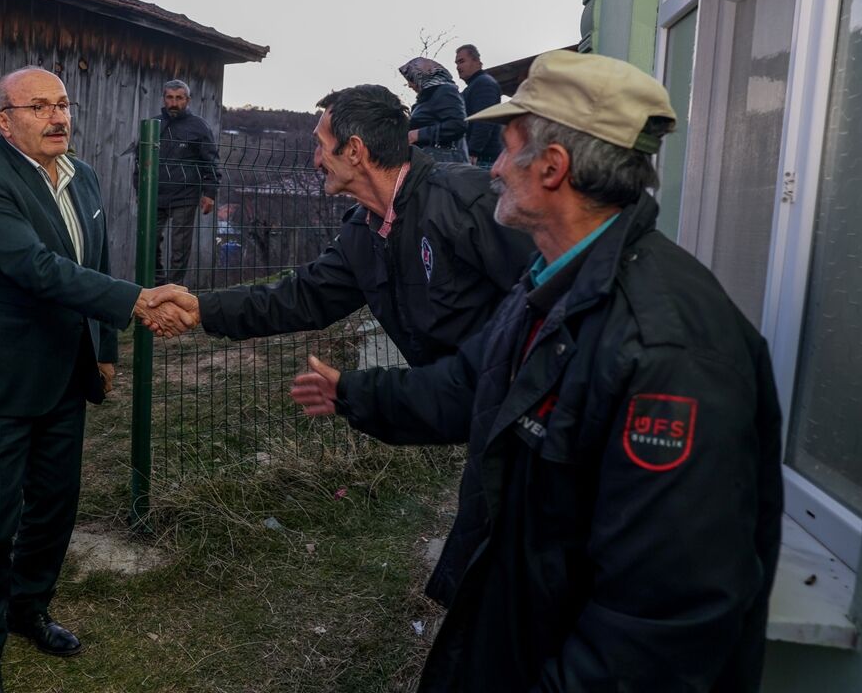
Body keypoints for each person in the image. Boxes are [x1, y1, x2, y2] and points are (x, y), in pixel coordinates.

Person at [291, 51, 784, 692]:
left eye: (507, 149)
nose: (493, 168)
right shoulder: (553, 282)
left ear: (552, 168)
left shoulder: (669, 352)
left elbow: (658, 627)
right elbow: (472, 385)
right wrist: (353, 392)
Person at [0, 66, 194, 693]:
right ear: (4, 120)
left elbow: (94, 260)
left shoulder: (84, 175)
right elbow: (34, 266)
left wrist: (104, 349)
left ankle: (29, 608)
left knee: (55, 503)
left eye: (63, 104)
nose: (58, 117)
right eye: (39, 106)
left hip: (64, 367)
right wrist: (137, 300)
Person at [164, 84, 533, 368]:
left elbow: (547, 301)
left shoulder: (470, 204)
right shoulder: (364, 230)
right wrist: (203, 308)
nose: (315, 161)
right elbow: (302, 296)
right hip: (463, 410)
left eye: (321, 146)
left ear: (354, 151)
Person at [152, 79, 220, 286]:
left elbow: (211, 161)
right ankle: (157, 284)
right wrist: (140, 189)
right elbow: (141, 159)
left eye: (179, 98)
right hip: (155, 194)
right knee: (150, 241)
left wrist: (210, 193)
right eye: (170, 97)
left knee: (180, 247)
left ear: (187, 100)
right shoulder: (153, 125)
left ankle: (174, 288)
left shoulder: (198, 127)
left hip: (185, 195)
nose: (174, 103)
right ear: (164, 99)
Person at [399, 57, 469, 163]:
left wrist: (418, 134)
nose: (409, 85)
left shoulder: (445, 91)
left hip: (445, 163)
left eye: (411, 79)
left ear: (420, 76)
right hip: (432, 162)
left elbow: (457, 125)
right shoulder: (427, 98)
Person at [454, 44, 502, 168]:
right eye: (457, 63)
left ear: (476, 61)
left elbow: (485, 119)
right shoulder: (474, 86)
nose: (458, 67)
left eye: (462, 61)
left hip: (483, 158)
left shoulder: (484, 84)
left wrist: (473, 151)